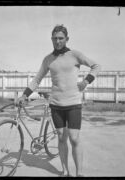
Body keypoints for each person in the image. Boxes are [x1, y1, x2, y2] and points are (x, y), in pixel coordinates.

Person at [16, 24, 101, 177]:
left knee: (74, 139)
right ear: (51, 39)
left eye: (61, 38)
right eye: (55, 38)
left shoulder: (75, 54)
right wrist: (24, 95)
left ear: (66, 39)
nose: (58, 41)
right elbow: (37, 79)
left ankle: (79, 173)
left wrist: (86, 82)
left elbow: (96, 66)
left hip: (73, 103)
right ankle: (65, 171)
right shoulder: (48, 59)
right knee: (62, 138)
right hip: (56, 104)